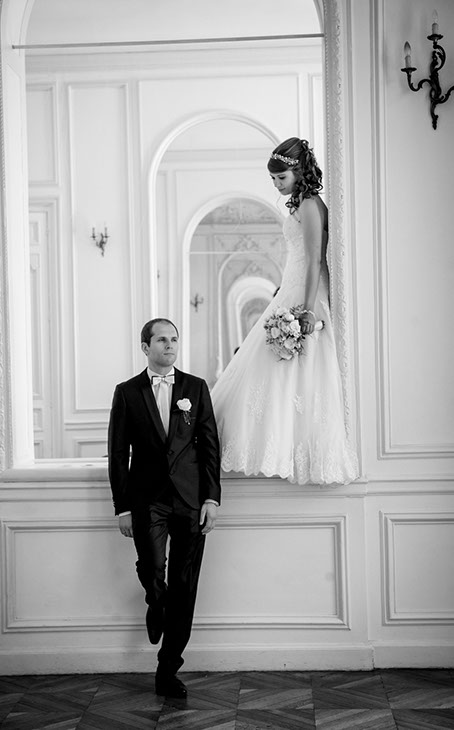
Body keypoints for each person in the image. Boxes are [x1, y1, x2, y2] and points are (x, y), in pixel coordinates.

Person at [211, 137, 359, 485]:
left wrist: (306, 309)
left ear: (298, 172)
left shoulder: (310, 205)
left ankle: (286, 450)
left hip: (304, 292)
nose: (277, 185)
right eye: (273, 179)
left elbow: (314, 259)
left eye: (281, 178)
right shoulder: (300, 204)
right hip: (290, 288)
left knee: (292, 368)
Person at [108, 318, 221, 698]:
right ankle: (155, 602)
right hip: (147, 500)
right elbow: (117, 453)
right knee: (153, 569)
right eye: (161, 340)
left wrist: (211, 498)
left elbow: (209, 446)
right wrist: (122, 507)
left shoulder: (196, 387)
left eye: (174, 339)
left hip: (191, 500)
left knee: (185, 587)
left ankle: (168, 669)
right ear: (145, 347)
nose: (169, 345)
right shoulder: (127, 392)